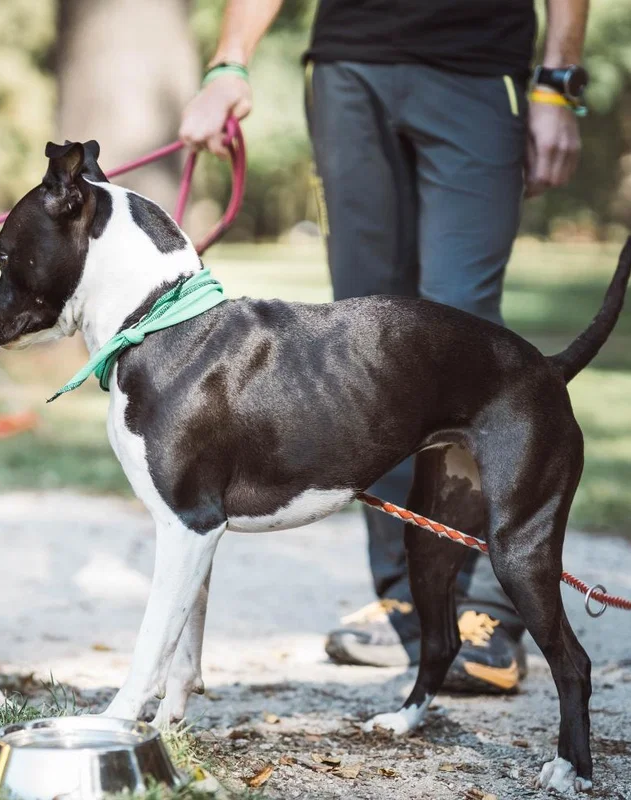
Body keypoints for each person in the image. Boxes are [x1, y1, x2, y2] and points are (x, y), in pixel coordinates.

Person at [180, 0, 589, 694]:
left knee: (465, 340)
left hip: (477, 66)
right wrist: (228, 61)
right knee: (366, 352)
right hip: (349, 69)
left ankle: (490, 606)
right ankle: (406, 591)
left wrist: (557, 83)